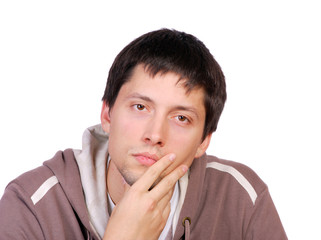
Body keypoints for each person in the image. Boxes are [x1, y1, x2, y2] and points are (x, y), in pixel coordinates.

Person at [0, 29, 287, 240]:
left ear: (203, 141)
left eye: (181, 118)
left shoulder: (241, 197)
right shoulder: (31, 204)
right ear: (107, 115)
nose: (154, 135)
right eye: (140, 107)